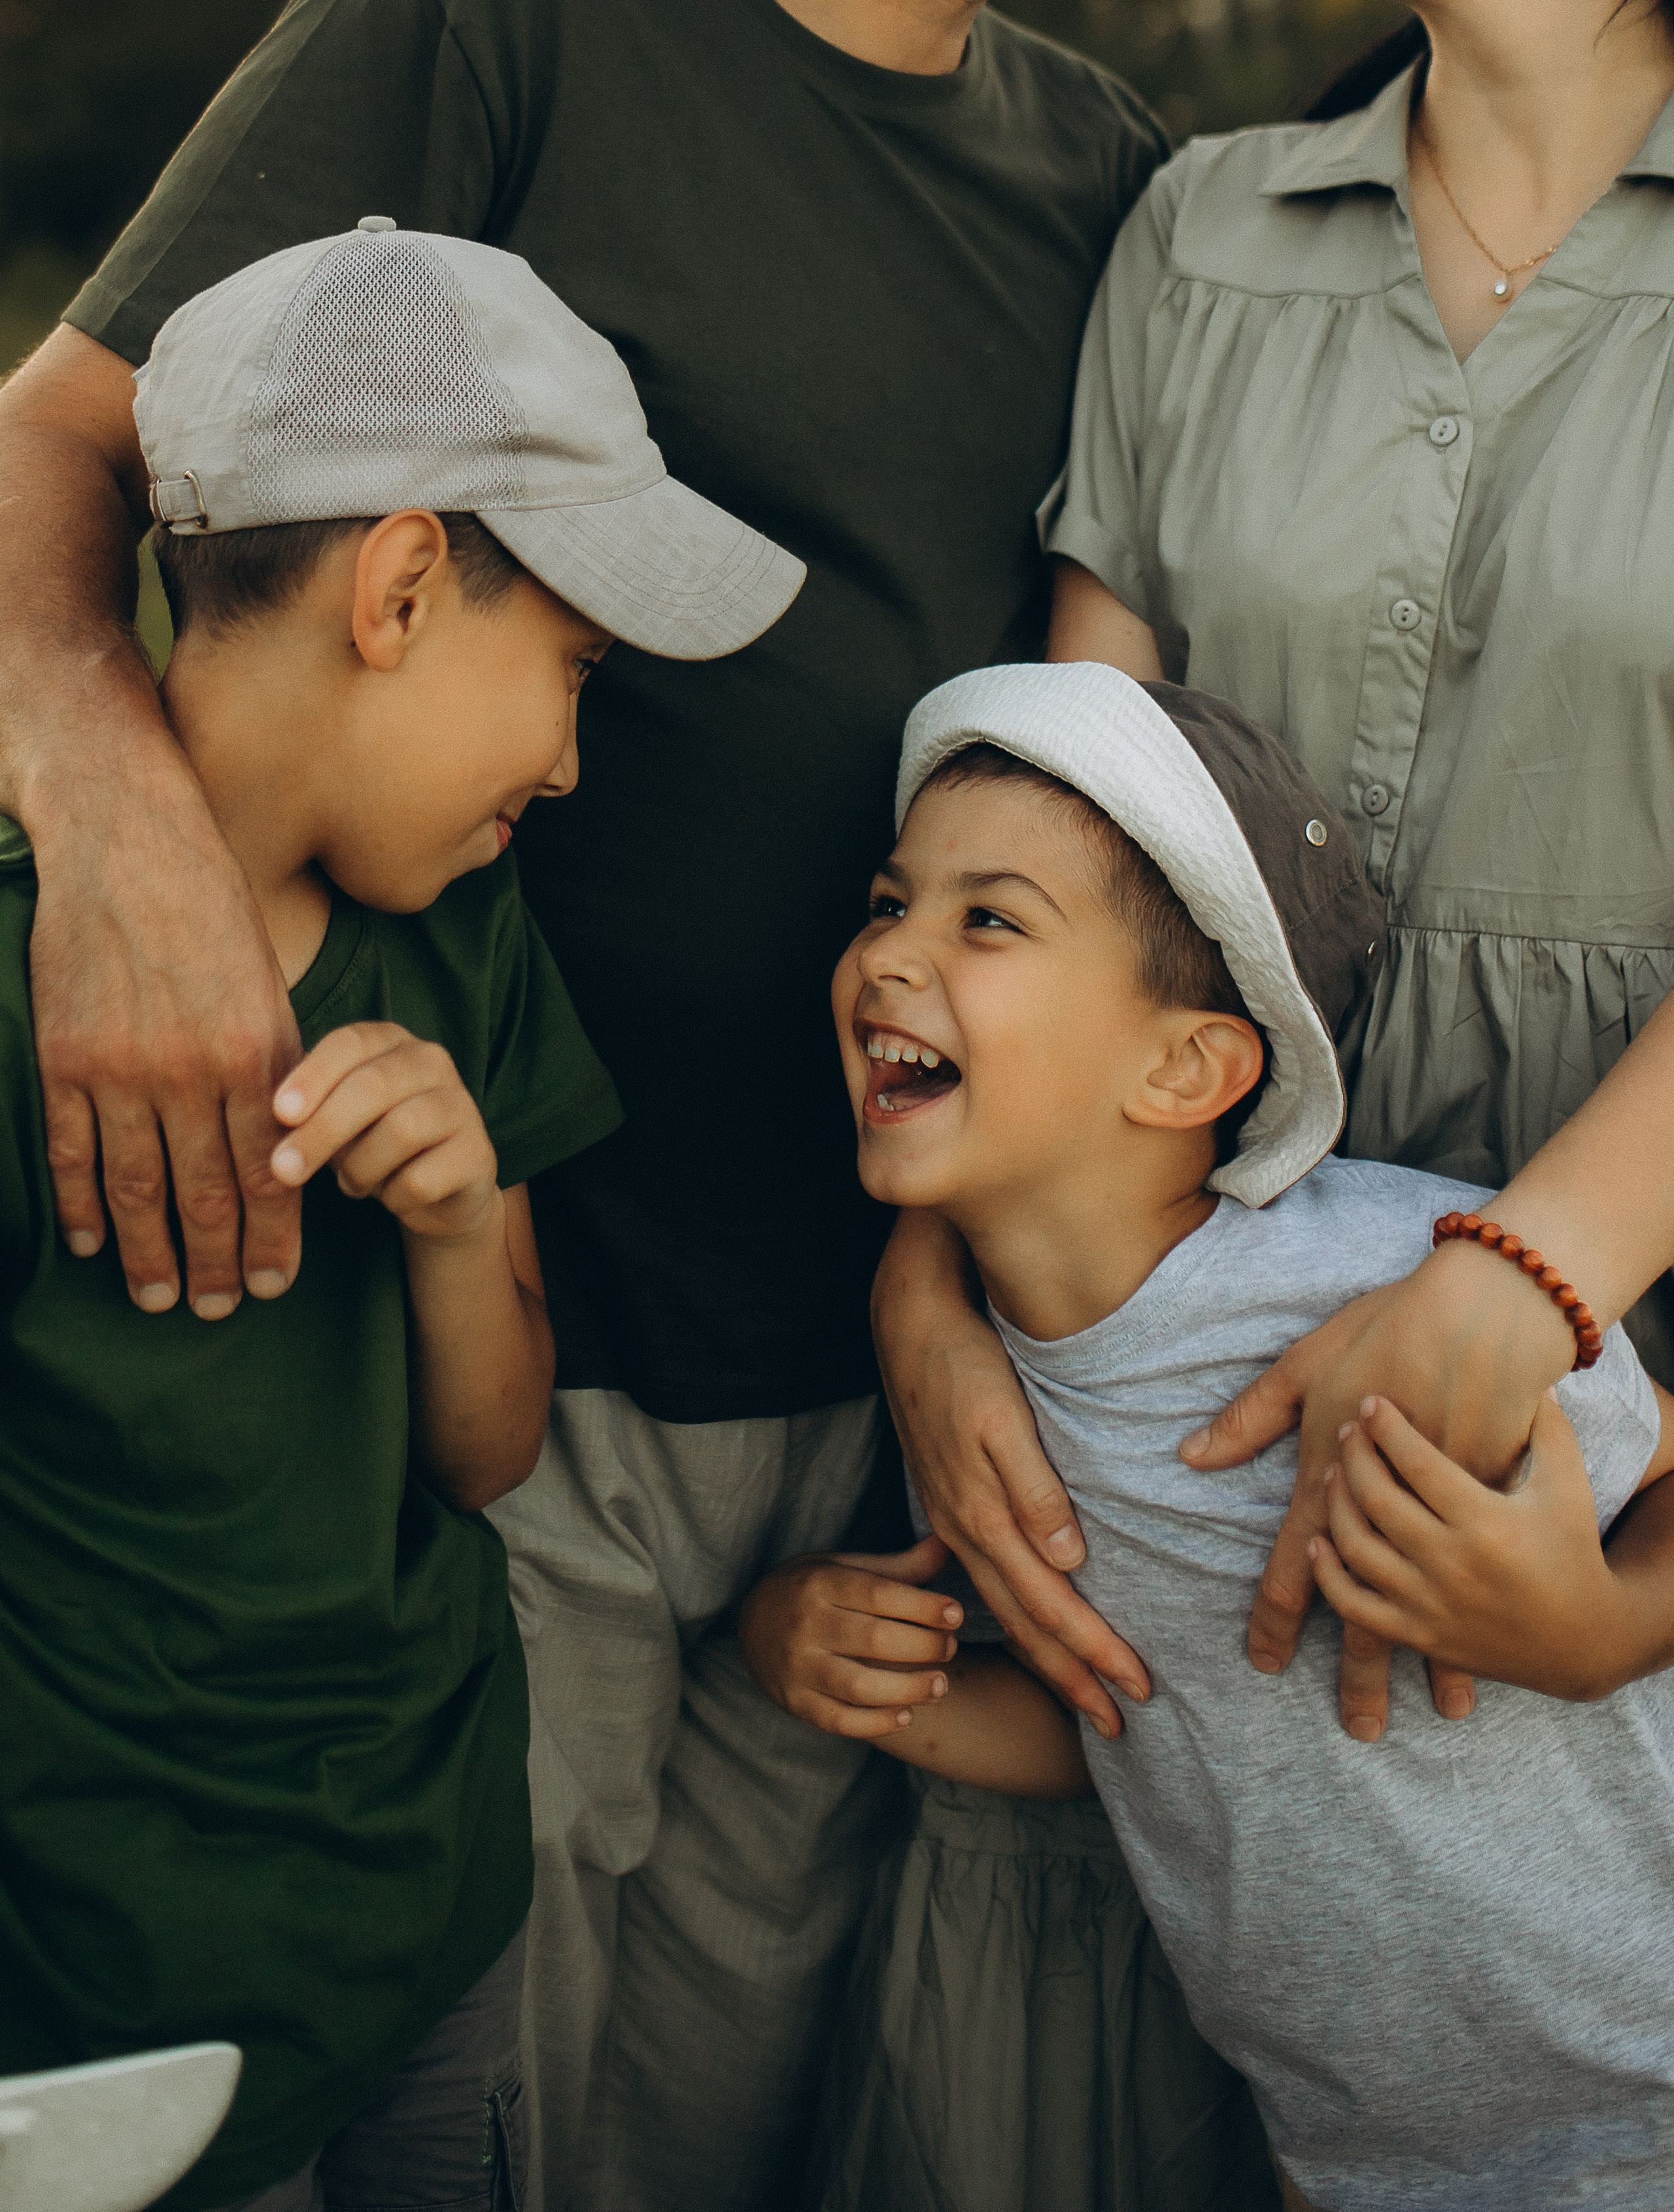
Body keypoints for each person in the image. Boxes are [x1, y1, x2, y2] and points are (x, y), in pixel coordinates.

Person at [0, 4, 1213, 2205]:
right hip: (548, 1417)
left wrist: (944, 1286)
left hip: (845, 1363)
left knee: (699, 2092)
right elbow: (59, 435)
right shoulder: (497, 27)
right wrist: (117, 840)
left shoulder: (1111, 164)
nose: (568, 742)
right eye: (561, 673)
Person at [0, 222, 801, 2212]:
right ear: (408, 582)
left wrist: (456, 1216)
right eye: (574, 676)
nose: (572, 758)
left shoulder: (464, 939)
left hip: (433, 1925)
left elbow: (487, 1448)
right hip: (105, 2013)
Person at [743, 660, 1674, 2212]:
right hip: (1365, 2154)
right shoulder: (972, 1408)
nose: (886, 952)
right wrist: (832, 1662)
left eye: (987, 918)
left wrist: (1596, 1624)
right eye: (886, 899)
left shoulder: (1382, 1283)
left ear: (1187, 1067)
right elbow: (1130, 1724)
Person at [877, 0, 1674, 1752]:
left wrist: (1536, 1273)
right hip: (1158, 1367)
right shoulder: (1199, 228)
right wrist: (927, 1281)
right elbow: (1073, 826)